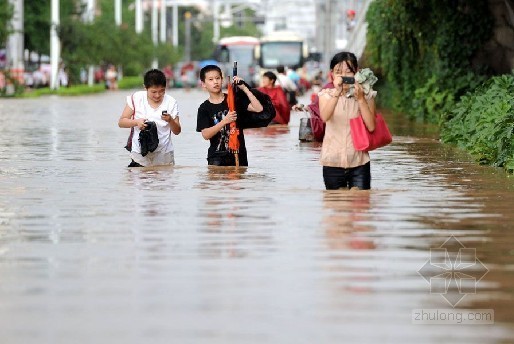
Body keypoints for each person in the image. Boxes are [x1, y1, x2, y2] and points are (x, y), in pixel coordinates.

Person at [319, 51, 377, 190]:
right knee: (335, 207)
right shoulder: (325, 95)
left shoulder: (367, 95)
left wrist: (361, 99)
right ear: (331, 73)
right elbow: (325, 117)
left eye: (348, 71)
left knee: (360, 206)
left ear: (356, 72)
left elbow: (371, 126)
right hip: (332, 161)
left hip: (359, 161)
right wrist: (337, 92)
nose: (343, 76)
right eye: (338, 71)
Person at [196, 65, 264, 167]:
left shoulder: (233, 99)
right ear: (203, 84)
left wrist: (244, 88)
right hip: (217, 158)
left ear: (222, 80)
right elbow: (206, 135)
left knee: (239, 181)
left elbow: (258, 109)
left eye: (218, 78)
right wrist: (224, 121)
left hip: (239, 154)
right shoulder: (204, 108)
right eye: (210, 79)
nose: (215, 82)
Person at [118, 69, 181, 167]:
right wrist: (136, 122)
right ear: (145, 88)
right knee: (139, 179)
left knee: (164, 182)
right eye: (153, 92)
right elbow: (121, 122)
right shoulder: (136, 98)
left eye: (162, 91)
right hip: (139, 154)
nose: (157, 95)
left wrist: (170, 120)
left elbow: (177, 131)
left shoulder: (171, 102)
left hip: (164, 155)